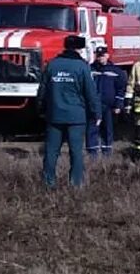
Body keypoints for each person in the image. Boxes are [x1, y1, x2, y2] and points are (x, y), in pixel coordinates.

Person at [40, 35, 100, 188]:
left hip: (54, 115)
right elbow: (90, 93)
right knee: (76, 152)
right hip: (76, 117)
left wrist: (41, 109)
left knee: (51, 152)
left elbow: (42, 91)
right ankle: (75, 184)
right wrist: (96, 112)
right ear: (79, 49)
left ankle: (48, 184)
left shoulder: (52, 65)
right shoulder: (82, 67)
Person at [88, 45, 127, 157]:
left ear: (107, 55)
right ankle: (92, 155)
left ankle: (107, 153)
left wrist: (119, 105)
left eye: (103, 56)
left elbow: (121, 89)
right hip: (94, 105)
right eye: (98, 56)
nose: (100, 58)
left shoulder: (116, 71)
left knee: (107, 129)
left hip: (109, 106)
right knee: (92, 129)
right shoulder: (90, 70)